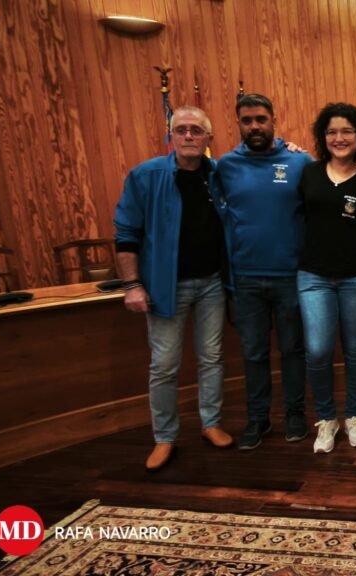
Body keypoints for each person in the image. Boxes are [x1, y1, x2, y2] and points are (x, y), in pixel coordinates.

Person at [113, 106, 233, 472]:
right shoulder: (146, 176)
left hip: (212, 283)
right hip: (166, 287)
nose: (188, 136)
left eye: (196, 130)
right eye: (181, 130)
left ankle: (211, 423)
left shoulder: (218, 175)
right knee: (164, 365)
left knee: (211, 358)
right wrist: (132, 284)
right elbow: (126, 233)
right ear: (171, 136)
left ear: (209, 138)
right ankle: (164, 437)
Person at [217, 94, 313, 450]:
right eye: (247, 121)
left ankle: (295, 414)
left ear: (274, 120)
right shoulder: (224, 166)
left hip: (291, 276)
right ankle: (258, 419)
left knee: (293, 350)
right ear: (238, 124)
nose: (254, 126)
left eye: (261, 119)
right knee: (254, 354)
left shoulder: (300, 162)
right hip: (245, 279)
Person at [298, 102, 356, 454]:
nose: (339, 138)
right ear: (323, 137)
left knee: (355, 349)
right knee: (318, 350)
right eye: (332, 131)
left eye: (347, 131)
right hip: (313, 274)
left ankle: (353, 416)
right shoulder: (308, 173)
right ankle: (326, 419)